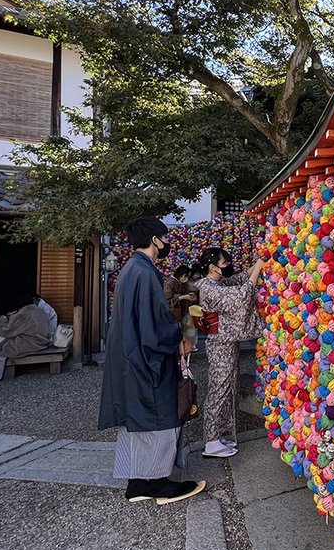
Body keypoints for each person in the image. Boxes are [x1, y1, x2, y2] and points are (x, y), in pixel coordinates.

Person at [98, 216, 205, 504]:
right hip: (146, 357)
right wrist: (179, 338)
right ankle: (157, 483)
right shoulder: (145, 273)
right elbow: (154, 324)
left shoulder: (132, 269)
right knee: (160, 417)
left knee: (139, 421)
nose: (167, 242)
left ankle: (138, 482)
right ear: (155, 239)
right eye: (164, 237)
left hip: (131, 356)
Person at [196, 248, 263, 459]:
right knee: (219, 390)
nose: (228, 266)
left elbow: (239, 279)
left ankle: (221, 435)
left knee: (228, 389)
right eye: (224, 263)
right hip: (219, 345)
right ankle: (211, 440)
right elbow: (240, 296)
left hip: (226, 344)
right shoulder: (207, 287)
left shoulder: (217, 282)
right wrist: (259, 268)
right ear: (212, 266)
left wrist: (260, 262)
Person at [0, 295, 54, 384]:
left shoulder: (22, 314)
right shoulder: (40, 311)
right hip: (43, 342)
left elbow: (6, 332)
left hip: (28, 344)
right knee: (1, 348)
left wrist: (2, 320)